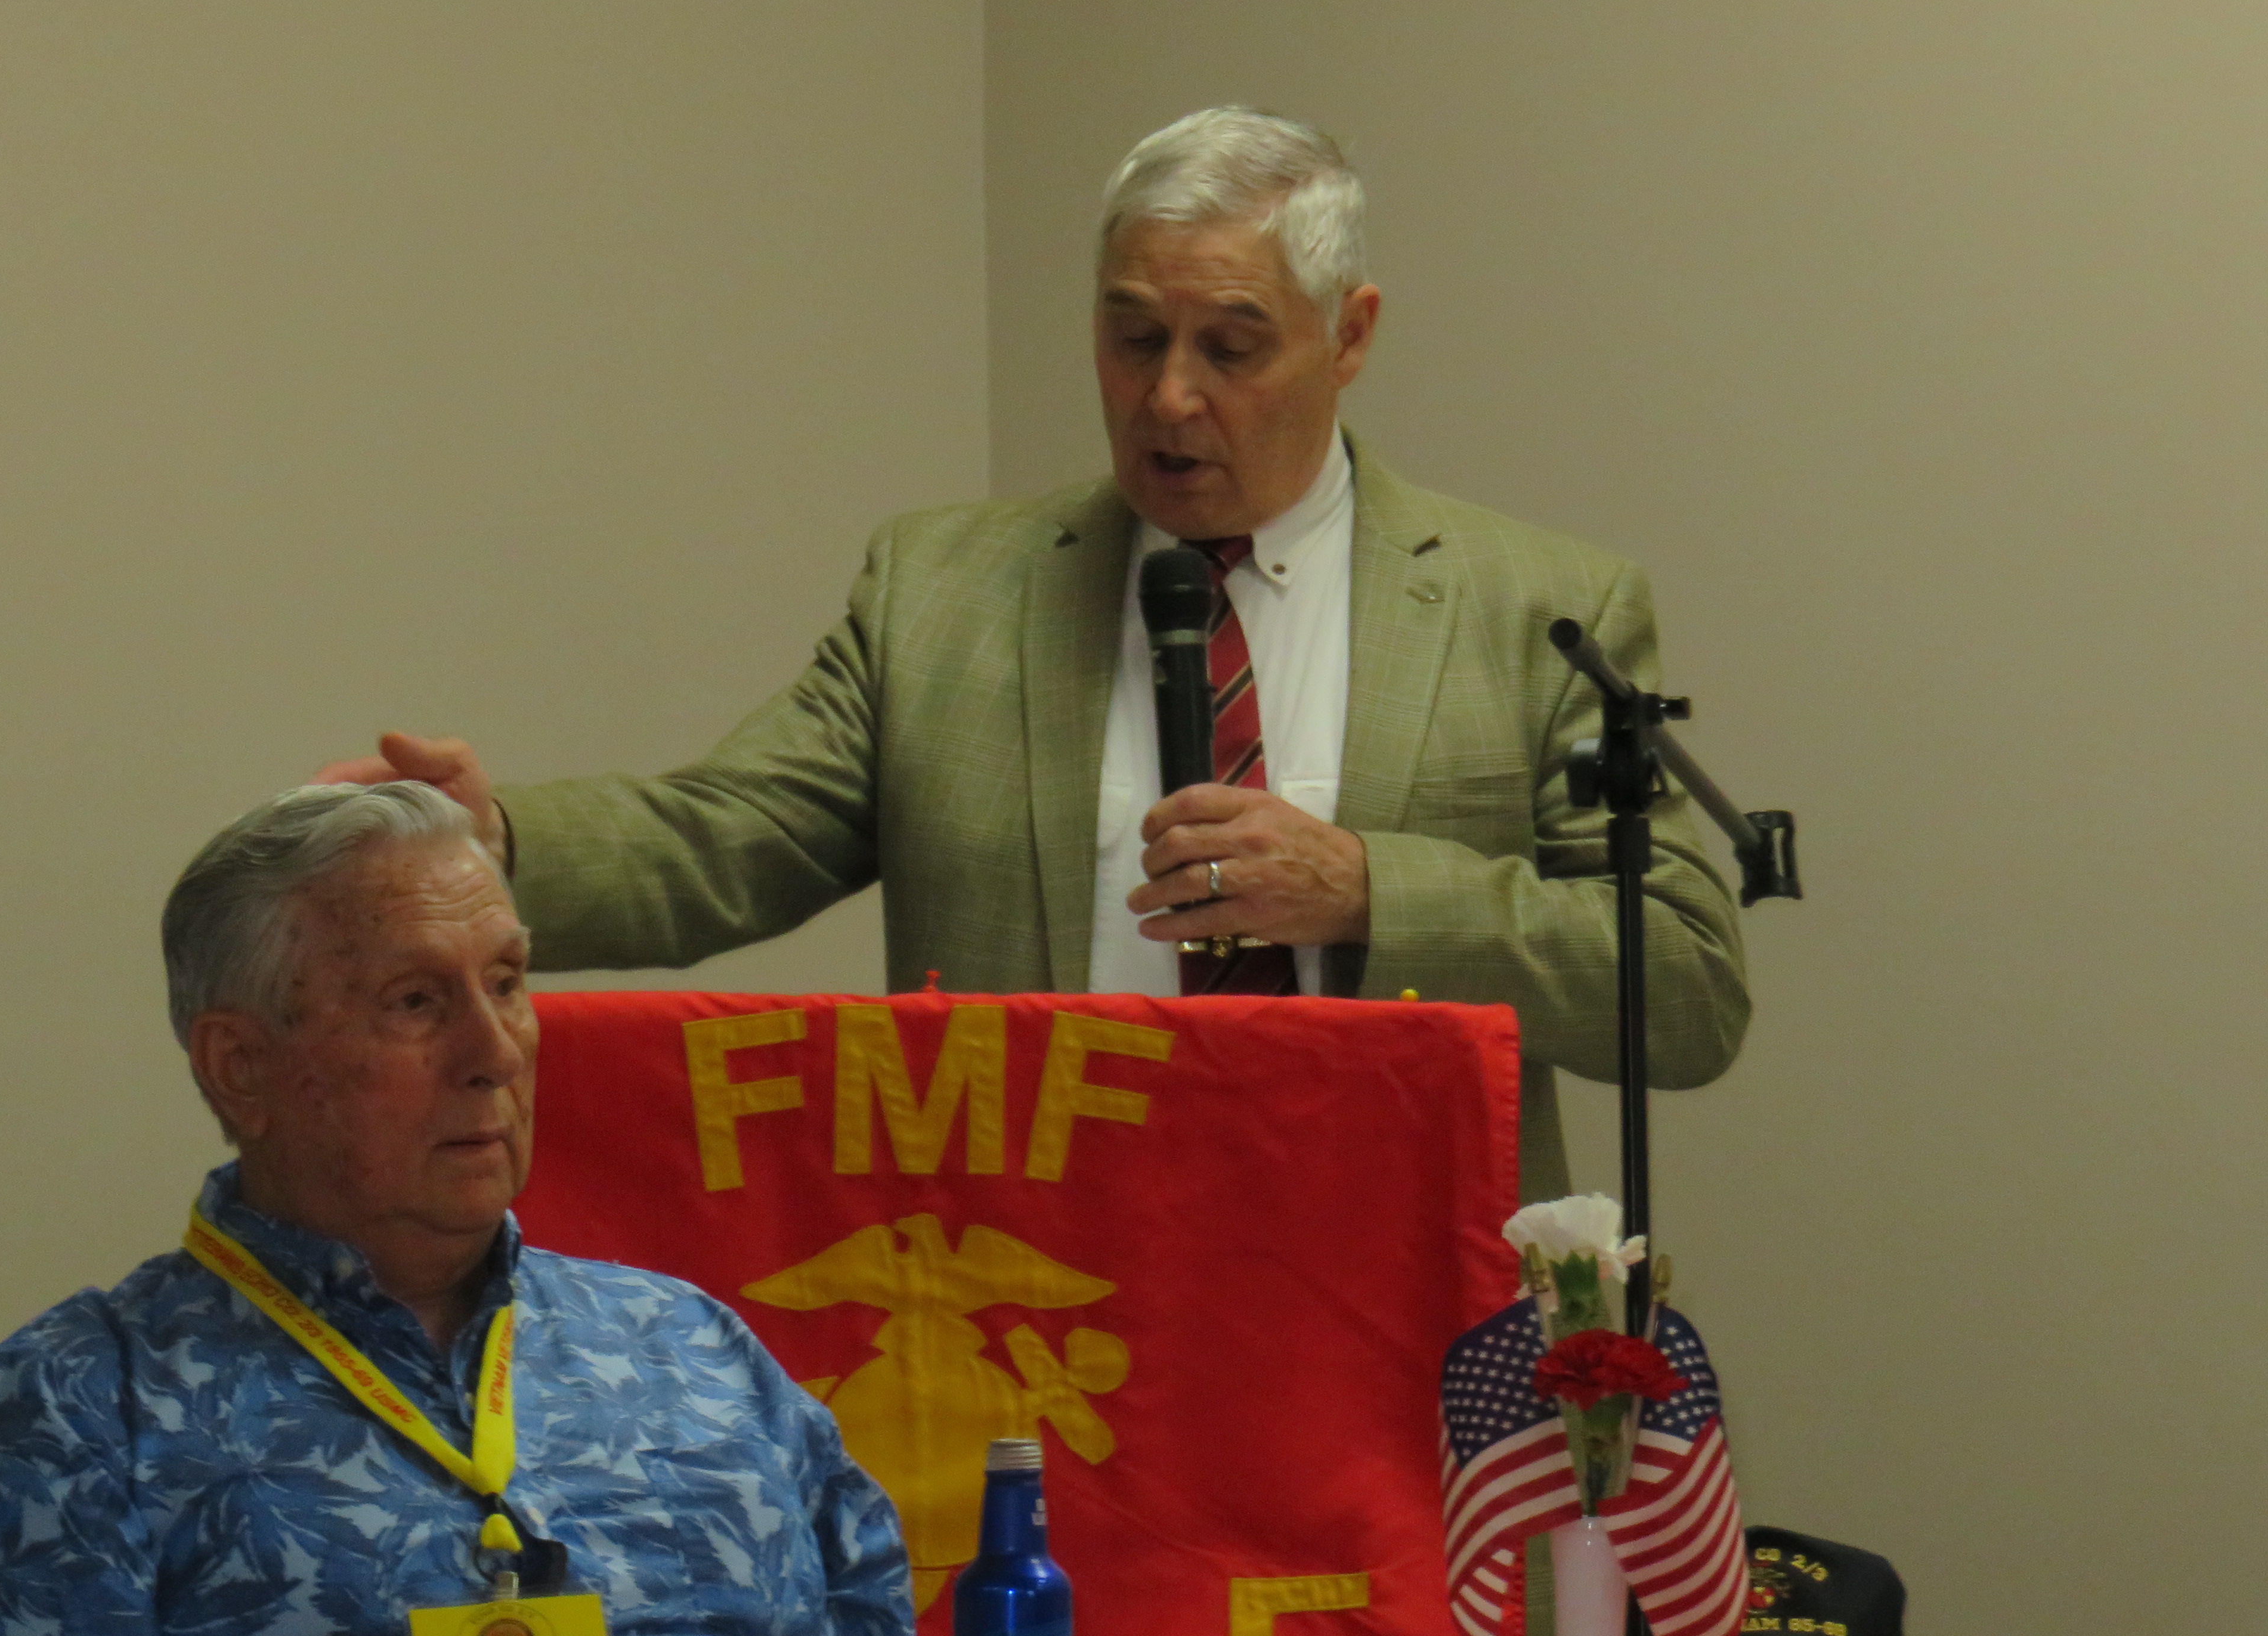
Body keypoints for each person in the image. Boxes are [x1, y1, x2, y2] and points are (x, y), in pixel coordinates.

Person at [325, 107, 1751, 1200]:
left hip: (1390, 1303)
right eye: (1133, 339)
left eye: (1231, 348)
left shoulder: (1538, 610)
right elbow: (729, 836)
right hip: (1035, 1290)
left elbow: (1683, 991)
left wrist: (1370, 890)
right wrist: (490, 847)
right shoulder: (945, 593)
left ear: (1350, 335)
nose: (1169, 398)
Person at [0, 782, 945, 1636]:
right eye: (416, 1003)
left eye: (508, 982)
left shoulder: (692, 1347)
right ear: (242, 1066)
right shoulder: (72, 1409)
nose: (496, 1052)